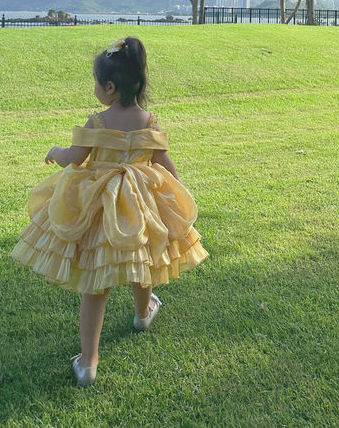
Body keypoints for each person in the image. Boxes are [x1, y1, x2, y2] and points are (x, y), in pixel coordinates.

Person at [11, 35, 208, 387]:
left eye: (97, 83)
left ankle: (88, 363)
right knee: (141, 261)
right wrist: (176, 197)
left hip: (99, 207)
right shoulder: (151, 122)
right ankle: (142, 313)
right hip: (140, 207)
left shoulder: (96, 123)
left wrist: (55, 150)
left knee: (95, 284)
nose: (96, 88)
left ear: (111, 87)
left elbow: (74, 159)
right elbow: (165, 164)